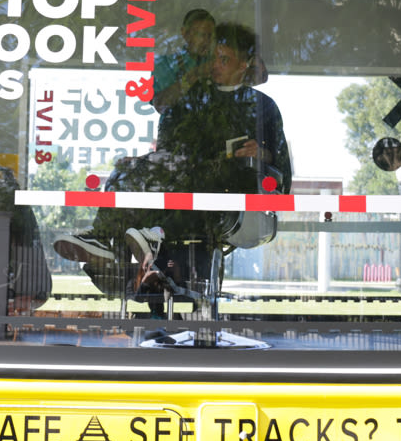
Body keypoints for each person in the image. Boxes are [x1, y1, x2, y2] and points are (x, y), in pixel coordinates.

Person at [54, 21, 291, 268]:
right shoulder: (190, 98)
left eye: (224, 60)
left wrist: (263, 154)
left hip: (225, 197)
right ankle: (104, 238)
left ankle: (152, 235)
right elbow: (167, 147)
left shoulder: (262, 107)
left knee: (197, 174)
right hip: (183, 179)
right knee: (127, 171)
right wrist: (143, 164)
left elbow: (282, 170)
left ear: (244, 64)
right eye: (212, 58)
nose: (214, 66)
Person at [150, 8, 215, 110]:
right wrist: (195, 74)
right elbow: (161, 105)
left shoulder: (218, 62)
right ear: (185, 33)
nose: (206, 40)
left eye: (210, 35)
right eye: (200, 34)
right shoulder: (166, 63)